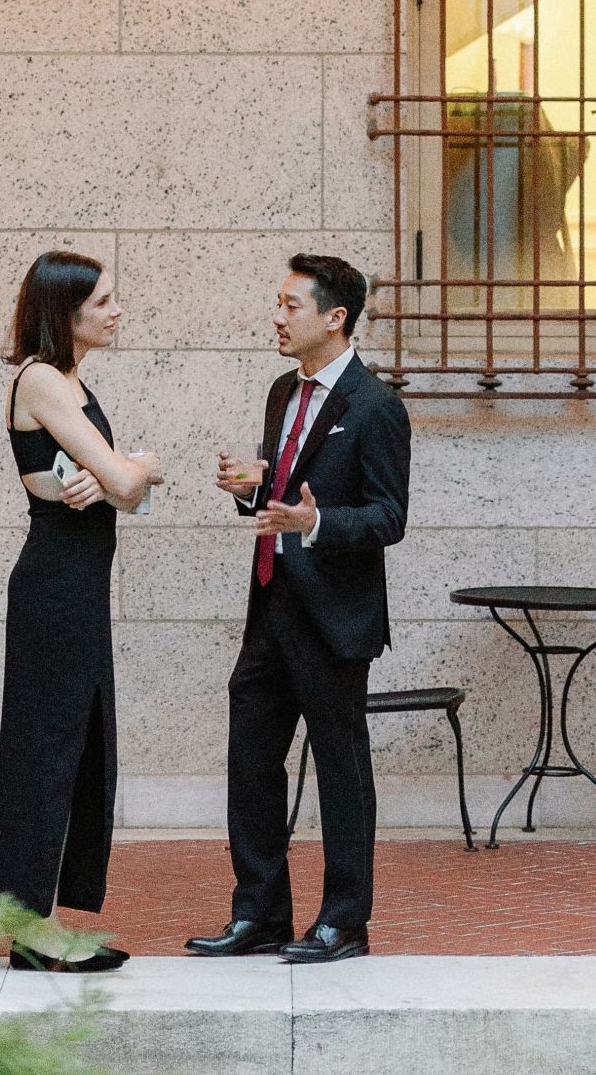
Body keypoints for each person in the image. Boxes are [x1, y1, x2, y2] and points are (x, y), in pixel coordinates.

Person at [186, 254, 410, 965]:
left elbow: (388, 517)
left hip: (335, 621)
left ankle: (345, 922)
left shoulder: (376, 407)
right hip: (270, 609)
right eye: (277, 304)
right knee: (251, 761)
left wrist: (316, 524)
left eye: (291, 305)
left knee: (342, 773)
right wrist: (253, 488)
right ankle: (259, 913)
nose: (277, 317)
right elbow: (285, 490)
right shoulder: (284, 391)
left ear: (334, 317)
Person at [0, 251, 163, 970]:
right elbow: (127, 480)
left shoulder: (69, 381)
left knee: (72, 752)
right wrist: (140, 465)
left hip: (76, 589)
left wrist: (122, 481)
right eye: (104, 302)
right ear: (65, 313)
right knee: (46, 755)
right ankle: (29, 928)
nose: (117, 311)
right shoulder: (39, 378)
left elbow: (120, 493)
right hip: (55, 591)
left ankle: (41, 920)